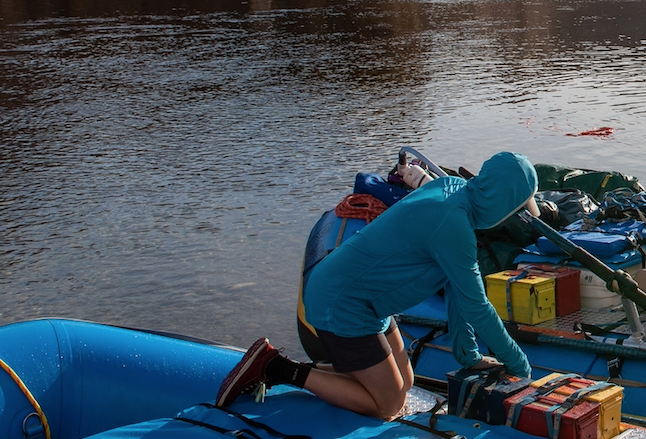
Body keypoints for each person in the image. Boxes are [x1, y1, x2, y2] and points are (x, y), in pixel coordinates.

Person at [214, 152, 538, 417]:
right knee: (388, 404)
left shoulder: (453, 188)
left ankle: (331, 372)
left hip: (369, 301)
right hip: (342, 302)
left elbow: (456, 290)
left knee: (406, 381)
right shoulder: (454, 226)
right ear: (503, 202)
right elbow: (476, 306)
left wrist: (467, 355)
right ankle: (277, 367)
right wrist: (519, 365)